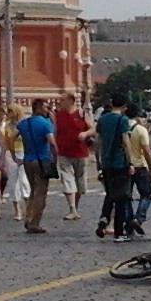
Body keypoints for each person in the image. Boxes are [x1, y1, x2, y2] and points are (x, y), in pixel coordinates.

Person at [92, 94, 135, 240]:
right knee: (121, 198)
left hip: (106, 162)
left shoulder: (103, 119)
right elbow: (125, 142)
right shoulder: (123, 120)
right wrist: (130, 162)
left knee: (110, 194)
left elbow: (97, 141)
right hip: (120, 162)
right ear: (124, 107)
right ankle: (119, 232)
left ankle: (104, 218)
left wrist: (98, 160)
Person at [15, 98, 57, 233]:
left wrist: (13, 153)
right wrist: (55, 157)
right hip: (42, 160)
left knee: (33, 191)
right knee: (41, 193)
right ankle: (33, 222)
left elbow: (11, 137)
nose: (47, 110)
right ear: (38, 108)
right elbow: (52, 141)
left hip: (27, 159)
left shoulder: (23, 123)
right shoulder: (45, 123)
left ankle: (28, 216)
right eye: (46, 107)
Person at [53, 93, 93, 222]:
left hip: (81, 153)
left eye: (62, 100)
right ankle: (72, 209)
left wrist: (85, 133)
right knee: (68, 180)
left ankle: (75, 207)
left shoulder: (81, 114)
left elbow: (93, 129)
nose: (60, 103)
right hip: (64, 153)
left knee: (80, 185)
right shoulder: (57, 116)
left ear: (70, 101)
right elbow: (54, 132)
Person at [124, 108, 151, 238]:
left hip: (125, 166)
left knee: (127, 197)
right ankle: (139, 218)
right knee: (147, 195)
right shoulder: (140, 129)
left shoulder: (122, 127)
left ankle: (128, 222)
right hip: (140, 166)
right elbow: (147, 151)